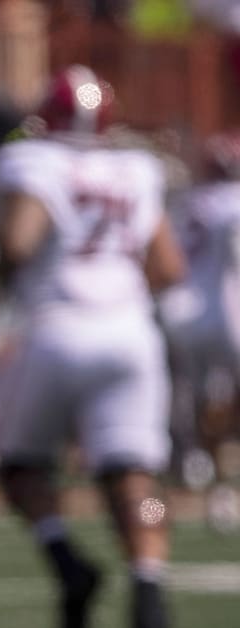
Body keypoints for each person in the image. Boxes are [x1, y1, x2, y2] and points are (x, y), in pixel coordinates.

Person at [0, 65, 186, 628]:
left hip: (57, 329)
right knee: (135, 479)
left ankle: (65, 558)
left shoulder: (35, 162)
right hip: (130, 333)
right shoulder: (137, 168)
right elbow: (169, 267)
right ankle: (149, 585)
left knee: (23, 469)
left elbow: (21, 242)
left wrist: (0, 275)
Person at [158, 130, 240, 534]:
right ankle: (219, 482)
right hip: (226, 313)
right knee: (222, 402)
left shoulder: (191, 202)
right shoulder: (233, 204)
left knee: (189, 394)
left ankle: (193, 462)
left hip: (182, 310)